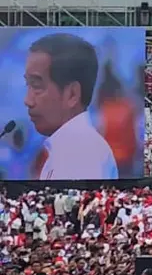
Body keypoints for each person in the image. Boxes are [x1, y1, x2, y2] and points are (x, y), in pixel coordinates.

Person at [23, 33, 119, 180]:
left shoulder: (81, 153)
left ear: (72, 94)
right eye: (27, 85)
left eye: (36, 86)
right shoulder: (68, 148)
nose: (27, 100)